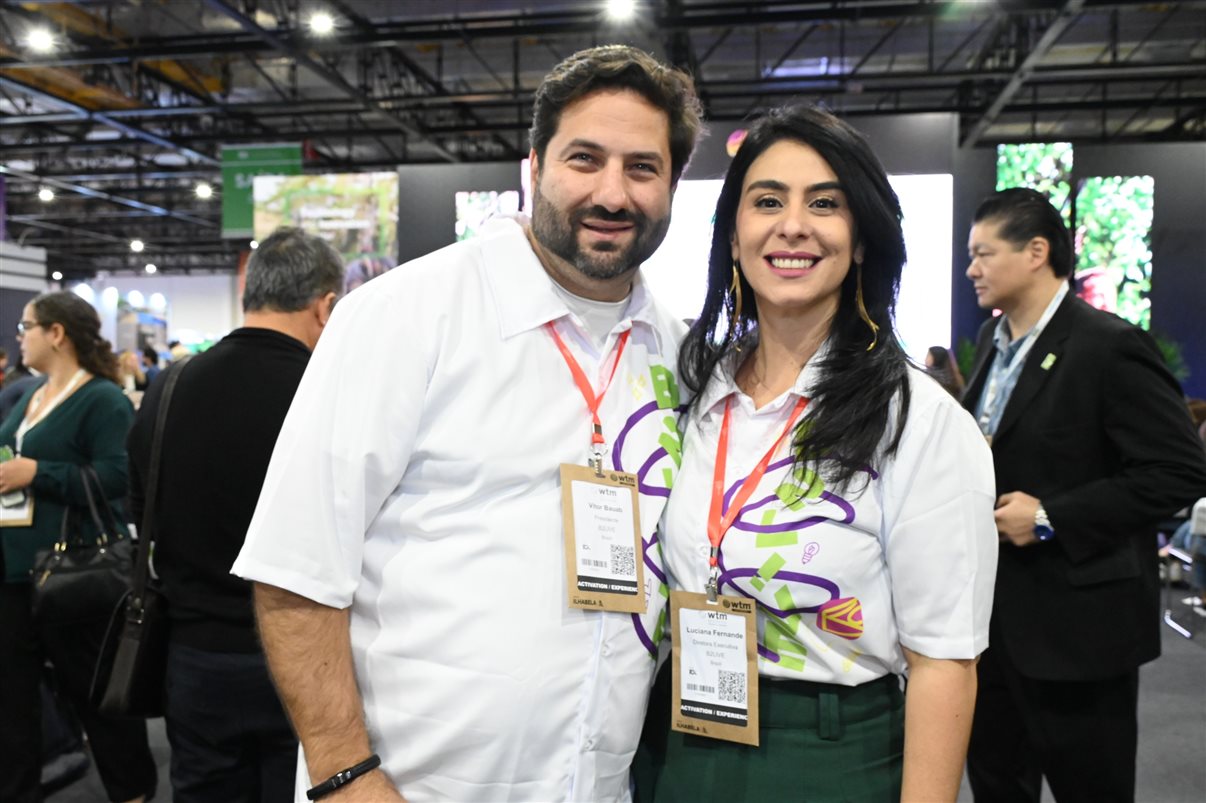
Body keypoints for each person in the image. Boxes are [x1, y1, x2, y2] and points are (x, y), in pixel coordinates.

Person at [232, 45, 703, 802]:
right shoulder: (403, 316)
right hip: (409, 787)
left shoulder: (677, 352)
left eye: (642, 168)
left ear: (671, 183)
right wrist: (343, 772)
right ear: (534, 166)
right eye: (585, 159)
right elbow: (296, 570)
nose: (613, 192)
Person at [639, 105, 998, 802]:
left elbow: (944, 661)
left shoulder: (917, 422)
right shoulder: (694, 392)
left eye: (825, 204)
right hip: (676, 742)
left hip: (830, 757)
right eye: (767, 200)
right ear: (735, 234)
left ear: (861, 239)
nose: (792, 224)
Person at [962, 188, 1206, 803]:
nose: (972, 270)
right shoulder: (994, 343)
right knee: (996, 783)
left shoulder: (1108, 345)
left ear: (1037, 251)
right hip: (991, 631)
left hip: (1080, 636)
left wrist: (1050, 517)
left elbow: (1178, 470)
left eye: (984, 254)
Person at [126, 228, 344, 803]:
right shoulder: (327, 396)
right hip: (308, 657)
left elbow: (138, 508)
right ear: (326, 307)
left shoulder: (167, 388)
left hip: (192, 655)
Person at [0, 291, 157, 803]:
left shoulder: (102, 399)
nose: (19, 336)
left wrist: (38, 472)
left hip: (76, 574)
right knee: (13, 707)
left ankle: (130, 793)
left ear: (56, 333)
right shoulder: (29, 394)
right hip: (14, 575)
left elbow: (117, 476)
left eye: (26, 327)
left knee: (97, 699)